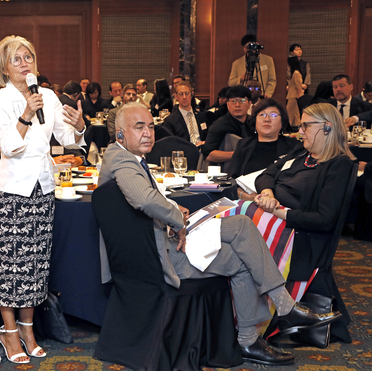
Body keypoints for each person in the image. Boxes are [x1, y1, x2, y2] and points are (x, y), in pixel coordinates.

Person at [100, 102, 341, 365]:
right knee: (243, 258)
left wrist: (172, 208)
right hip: (157, 254)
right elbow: (144, 200)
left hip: (158, 240)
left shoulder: (127, 156)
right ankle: (254, 336)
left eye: (150, 126)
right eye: (139, 127)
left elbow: (147, 200)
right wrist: (178, 220)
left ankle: (283, 306)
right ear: (120, 133)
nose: (148, 132)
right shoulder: (122, 159)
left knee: (241, 225)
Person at [0, 35, 86, 365]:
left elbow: (66, 139)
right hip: (13, 192)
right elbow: (11, 147)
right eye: (17, 59)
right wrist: (27, 113)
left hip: (43, 189)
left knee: (37, 265)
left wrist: (80, 127)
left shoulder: (49, 95)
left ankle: (28, 330)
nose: (25, 63)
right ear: (4, 67)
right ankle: (9, 332)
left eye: (29, 56)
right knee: (12, 267)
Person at [254, 103, 357, 342]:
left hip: (297, 235)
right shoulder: (301, 154)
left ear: (327, 128)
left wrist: (279, 212)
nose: (300, 131)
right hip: (272, 218)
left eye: (305, 126)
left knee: (232, 236)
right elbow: (265, 175)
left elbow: (324, 220)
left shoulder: (338, 165)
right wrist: (268, 194)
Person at [230, 99, 301, 196]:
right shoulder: (244, 145)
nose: (267, 119)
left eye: (273, 115)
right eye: (262, 115)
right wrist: (244, 195)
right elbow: (230, 179)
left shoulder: (294, 147)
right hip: (246, 201)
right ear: (255, 121)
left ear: (282, 123)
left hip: (280, 201)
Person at [202, 85, 254, 163]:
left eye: (242, 100)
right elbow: (208, 155)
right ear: (228, 105)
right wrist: (239, 154)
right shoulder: (219, 125)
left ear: (249, 104)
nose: (237, 105)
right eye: (233, 101)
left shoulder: (254, 122)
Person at [162, 80, 208, 146]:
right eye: (181, 94)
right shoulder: (170, 121)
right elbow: (171, 143)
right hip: (185, 152)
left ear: (191, 94)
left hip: (203, 150)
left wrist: (204, 142)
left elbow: (209, 136)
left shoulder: (202, 116)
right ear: (176, 96)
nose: (184, 97)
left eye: (186, 93)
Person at [286, 57, 304, 128]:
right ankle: (296, 126)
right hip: (293, 95)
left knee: (289, 112)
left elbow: (298, 86)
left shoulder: (296, 73)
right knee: (296, 114)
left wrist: (299, 96)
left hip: (295, 96)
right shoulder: (294, 72)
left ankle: (288, 126)